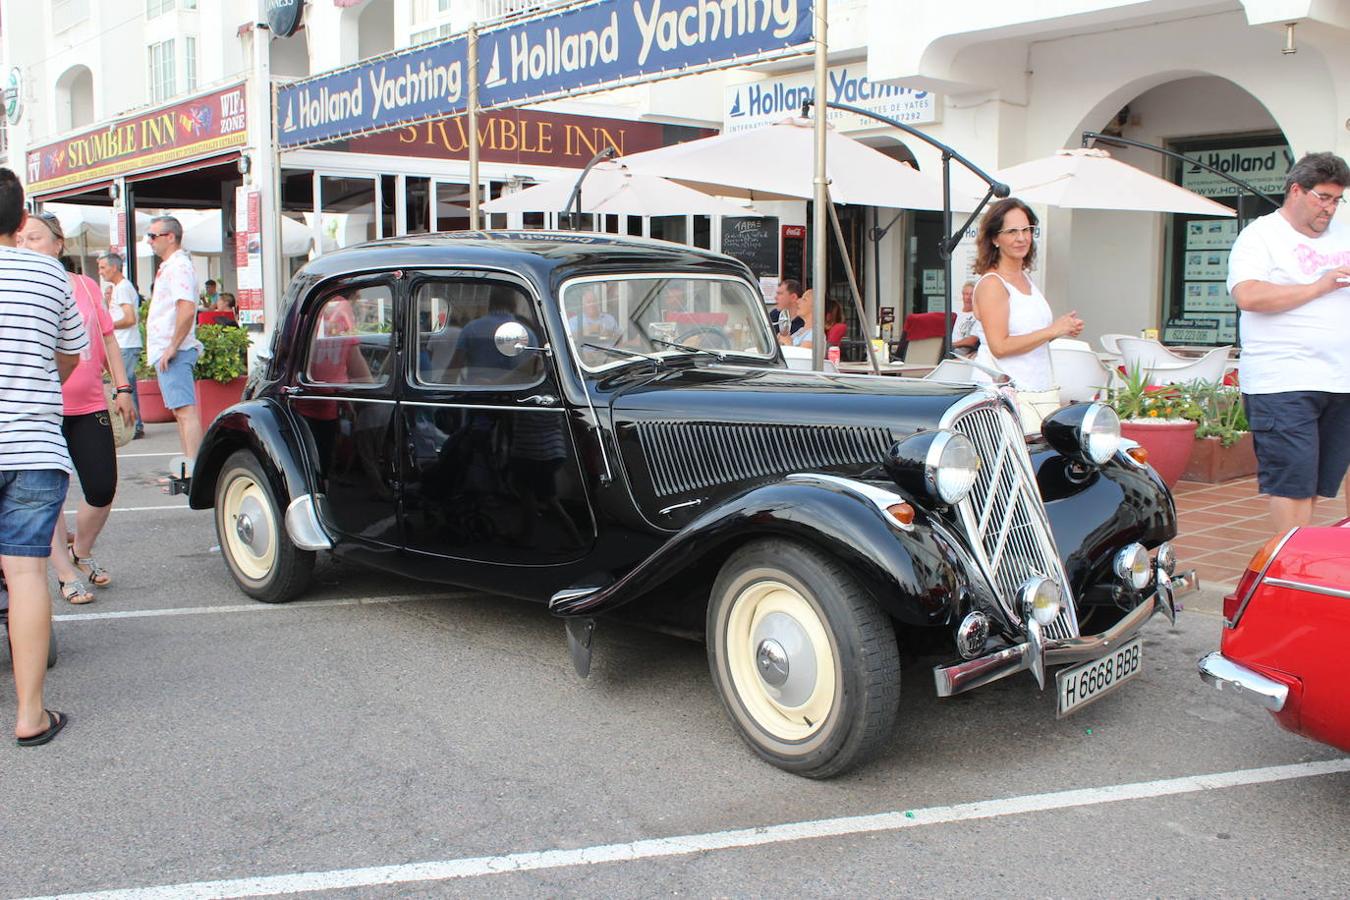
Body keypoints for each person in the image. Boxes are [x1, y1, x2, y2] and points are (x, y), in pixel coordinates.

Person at [0, 168, 86, 744]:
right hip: (33, 442)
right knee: (27, 573)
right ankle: (30, 716)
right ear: (21, 215)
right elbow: (74, 354)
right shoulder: (49, 273)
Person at [1227, 151, 1350, 533]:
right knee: (1292, 483)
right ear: (1296, 190)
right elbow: (1247, 295)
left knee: (1313, 484)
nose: (1330, 208)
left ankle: (1306, 564)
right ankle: (1290, 571)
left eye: (1337, 199)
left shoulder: (1343, 235)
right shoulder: (1260, 236)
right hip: (1284, 380)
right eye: (1323, 198)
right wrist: (1319, 285)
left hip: (1340, 378)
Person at [19, 214, 136, 604]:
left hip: (88, 403)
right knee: (45, 495)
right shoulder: (17, 286)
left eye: (35, 238)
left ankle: (80, 551)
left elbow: (108, 340)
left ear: (58, 244)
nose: (26, 245)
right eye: (21, 239)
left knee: (102, 486)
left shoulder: (85, 287)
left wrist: (122, 388)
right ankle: (66, 574)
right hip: (39, 409)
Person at [972, 197, 1083, 391]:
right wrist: (1052, 330)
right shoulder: (992, 284)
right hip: (1003, 395)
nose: (1022, 238)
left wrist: (1062, 328)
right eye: (1012, 232)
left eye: (1026, 230)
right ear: (995, 238)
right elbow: (999, 347)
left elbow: (1028, 337)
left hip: (1035, 388)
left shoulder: (1025, 278)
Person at [145, 215, 204, 468]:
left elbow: (186, 308)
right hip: (169, 348)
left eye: (153, 236)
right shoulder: (172, 266)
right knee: (180, 412)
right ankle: (189, 466)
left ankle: (195, 467)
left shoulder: (178, 266)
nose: (149, 241)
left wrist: (172, 346)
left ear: (170, 237)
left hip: (175, 349)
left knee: (185, 411)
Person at [98, 251, 143, 439]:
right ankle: (134, 424)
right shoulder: (119, 287)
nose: (100, 272)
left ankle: (133, 426)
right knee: (125, 384)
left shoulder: (123, 287)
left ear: (114, 267)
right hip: (124, 342)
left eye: (102, 267)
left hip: (125, 343)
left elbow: (130, 318)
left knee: (124, 384)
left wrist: (106, 326)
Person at [951, 280, 983, 358]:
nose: (968, 297)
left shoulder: (978, 316)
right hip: (945, 351)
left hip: (961, 355)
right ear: (962, 295)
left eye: (971, 294)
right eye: (966, 294)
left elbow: (972, 340)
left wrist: (950, 345)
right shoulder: (954, 313)